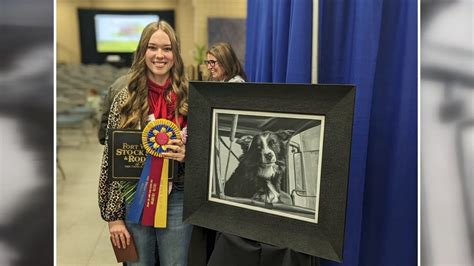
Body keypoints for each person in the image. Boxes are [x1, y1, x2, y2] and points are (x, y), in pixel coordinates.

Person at [98, 21, 192, 266]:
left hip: (179, 198)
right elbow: (111, 159)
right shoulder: (125, 97)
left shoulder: (190, 97)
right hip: (134, 198)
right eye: (152, 47)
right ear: (142, 52)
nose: (160, 55)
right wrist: (114, 218)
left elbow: (206, 152)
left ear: (175, 54)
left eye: (167, 48)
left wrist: (188, 154)